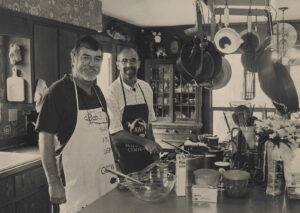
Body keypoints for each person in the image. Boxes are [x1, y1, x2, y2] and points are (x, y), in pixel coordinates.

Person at [36, 35, 116, 213]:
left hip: (105, 182)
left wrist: (118, 168)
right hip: (76, 186)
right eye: (86, 57)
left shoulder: (97, 91)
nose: (92, 64)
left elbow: (104, 134)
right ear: (73, 57)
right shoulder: (57, 92)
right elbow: (45, 137)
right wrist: (53, 182)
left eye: (97, 59)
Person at [106, 47, 162, 174]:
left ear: (139, 64)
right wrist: (145, 142)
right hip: (124, 160)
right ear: (117, 65)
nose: (129, 65)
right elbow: (115, 134)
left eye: (133, 60)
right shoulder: (112, 92)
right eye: (124, 61)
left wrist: (153, 148)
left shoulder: (146, 87)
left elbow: (148, 124)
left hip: (146, 159)